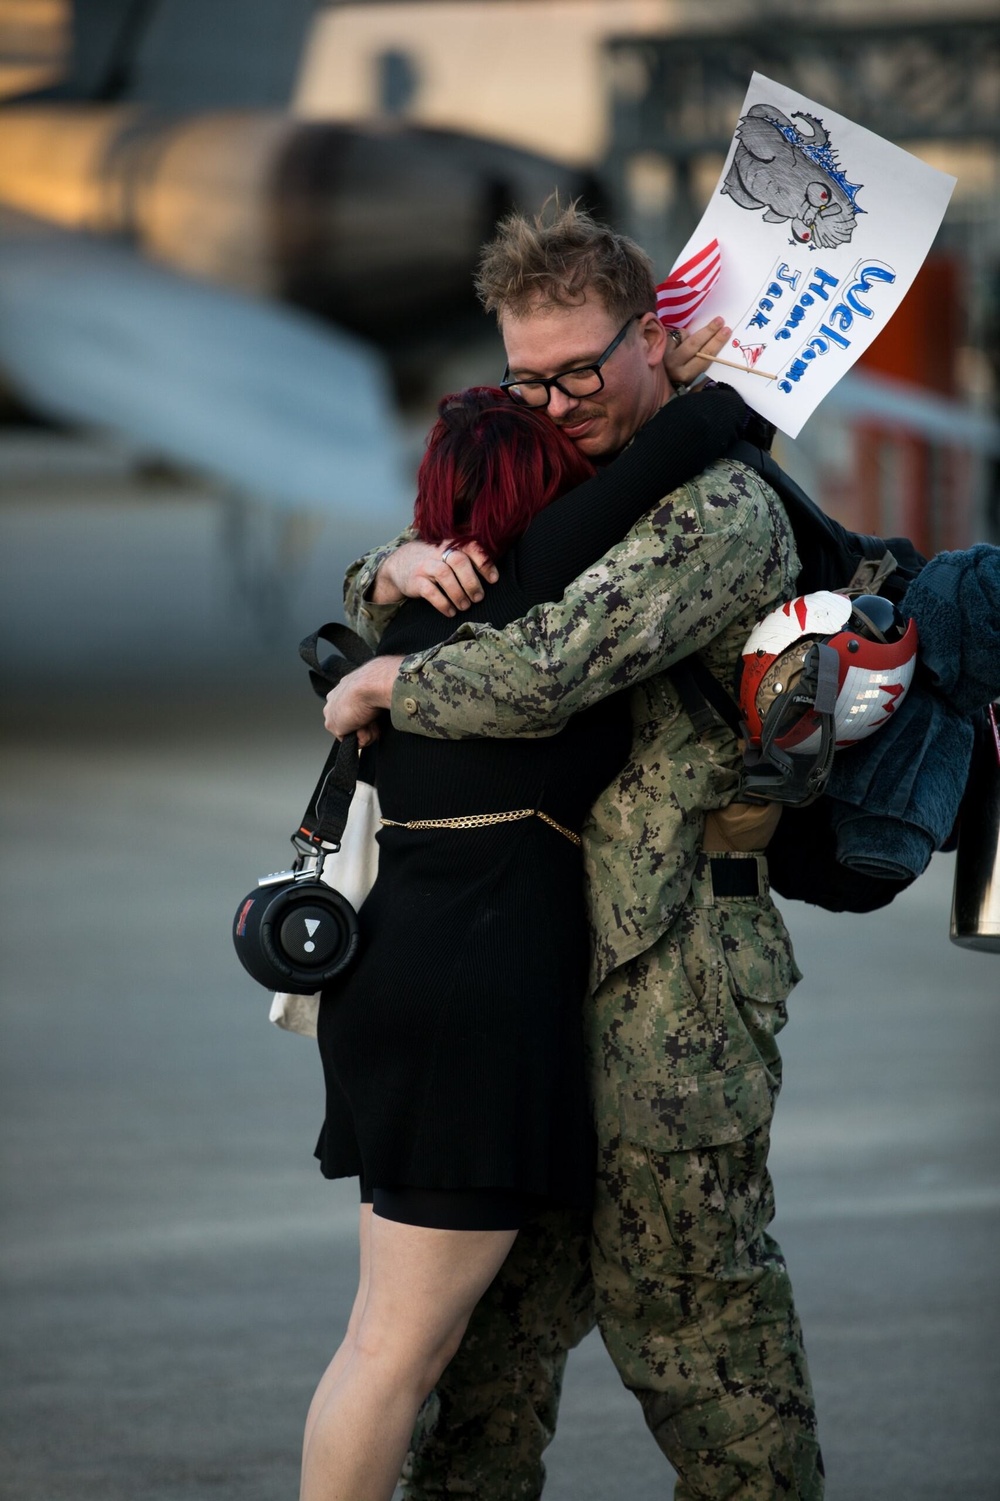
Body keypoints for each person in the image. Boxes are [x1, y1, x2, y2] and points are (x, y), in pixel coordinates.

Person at [324, 201, 824, 1501]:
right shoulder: (575, 483)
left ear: (654, 338)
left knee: (712, 1373)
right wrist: (395, 566)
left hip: (672, 1007)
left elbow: (552, 660)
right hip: (523, 1007)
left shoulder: (718, 507)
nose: (551, 402)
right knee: (476, 1380)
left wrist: (385, 686)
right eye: (523, 377)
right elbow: (468, 586)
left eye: (578, 371)